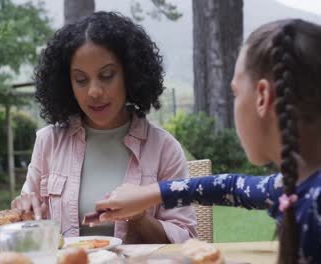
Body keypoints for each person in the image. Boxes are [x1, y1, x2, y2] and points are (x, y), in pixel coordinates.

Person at [95, 19, 321, 263]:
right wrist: (149, 194)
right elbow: (232, 187)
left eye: (235, 92)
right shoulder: (295, 186)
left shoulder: (312, 207)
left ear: (263, 97)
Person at [11, 11, 197, 244]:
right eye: (81, 80)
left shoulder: (163, 148)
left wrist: (140, 217)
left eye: (107, 75)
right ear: (67, 84)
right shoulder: (48, 142)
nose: (94, 92)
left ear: (129, 75)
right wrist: (23, 211)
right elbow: (27, 235)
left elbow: (186, 241)